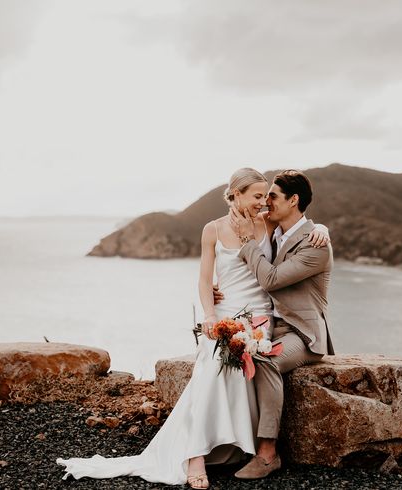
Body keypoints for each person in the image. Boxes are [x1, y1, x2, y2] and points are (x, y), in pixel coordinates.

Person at [56, 168, 329, 488]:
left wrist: (321, 227)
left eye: (266, 196)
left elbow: (296, 223)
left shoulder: (267, 223)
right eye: (257, 196)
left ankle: (213, 447)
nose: (263, 202)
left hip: (259, 318)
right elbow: (203, 279)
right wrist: (210, 315)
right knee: (214, 360)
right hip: (224, 312)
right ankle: (195, 454)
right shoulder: (212, 229)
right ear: (236, 195)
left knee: (235, 360)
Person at [230, 169, 334, 480]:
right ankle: (233, 442)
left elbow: (271, 279)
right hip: (271, 324)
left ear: (294, 200)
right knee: (231, 351)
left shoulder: (316, 244)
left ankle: (267, 453)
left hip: (303, 334)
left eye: (273, 196)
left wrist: (248, 243)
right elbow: (240, 210)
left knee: (264, 358)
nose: (266, 201)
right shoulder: (276, 228)